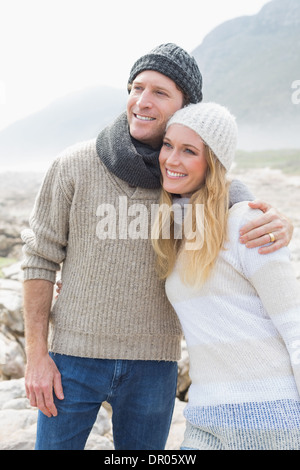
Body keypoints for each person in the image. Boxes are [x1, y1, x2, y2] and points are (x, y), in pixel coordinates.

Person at [21, 43, 293, 451]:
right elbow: (39, 259)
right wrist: (36, 357)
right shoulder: (73, 165)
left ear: (186, 109)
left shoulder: (186, 187)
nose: (142, 101)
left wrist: (278, 222)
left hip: (154, 368)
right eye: (136, 87)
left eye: (160, 93)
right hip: (72, 361)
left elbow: (227, 198)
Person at [152, 101, 300, 450]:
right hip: (204, 416)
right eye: (168, 145)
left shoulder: (249, 223)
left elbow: (295, 328)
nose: (172, 160)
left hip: (269, 417)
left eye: (189, 151)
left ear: (213, 163)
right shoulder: (175, 230)